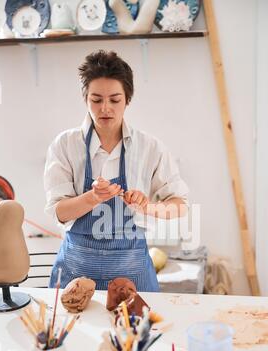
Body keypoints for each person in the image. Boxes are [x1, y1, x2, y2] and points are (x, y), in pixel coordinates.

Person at [44, 50, 188, 290]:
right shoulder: (64, 145)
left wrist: (147, 207)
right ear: (85, 99)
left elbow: (179, 205)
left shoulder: (150, 148)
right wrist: (92, 198)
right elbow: (59, 212)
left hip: (133, 273)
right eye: (96, 100)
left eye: (114, 99)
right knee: (67, 328)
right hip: (75, 271)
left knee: (136, 328)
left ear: (127, 99)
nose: (105, 108)